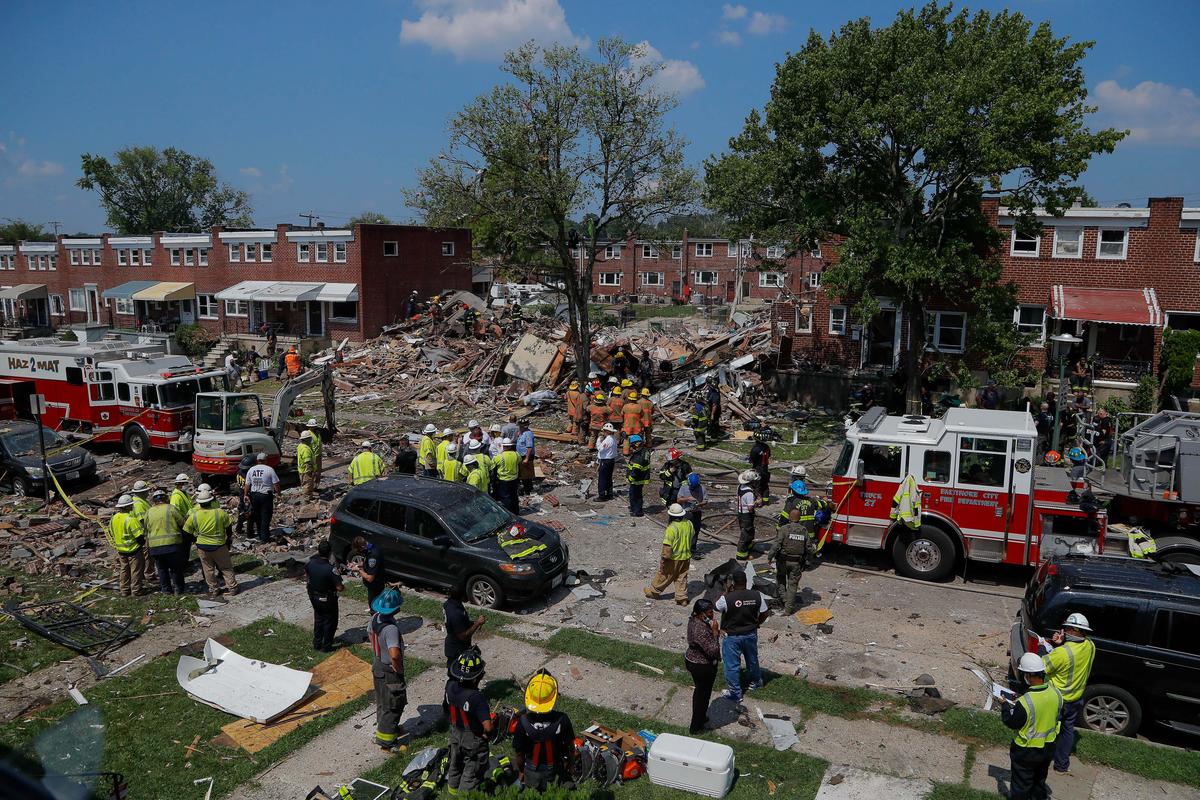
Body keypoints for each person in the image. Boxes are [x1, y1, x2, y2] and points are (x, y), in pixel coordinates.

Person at [1003, 653, 1064, 800]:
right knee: (1039, 782)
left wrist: (1005, 706)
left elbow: (1012, 722)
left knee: (1020, 787)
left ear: (1029, 676)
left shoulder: (1025, 702)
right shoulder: (1057, 694)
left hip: (1026, 751)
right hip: (1048, 748)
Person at [1041, 612, 1095, 775]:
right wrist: (1061, 643)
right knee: (1067, 731)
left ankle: (1039, 761)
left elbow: (1041, 666)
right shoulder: (1091, 646)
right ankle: (1061, 765)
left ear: (1071, 630)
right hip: (1076, 698)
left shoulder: (1062, 652)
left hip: (1058, 700)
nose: (1062, 631)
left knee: (1045, 731)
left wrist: (1044, 646)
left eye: (1065, 628)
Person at [513, 670, 576, 790]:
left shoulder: (523, 722)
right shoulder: (562, 720)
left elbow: (519, 753)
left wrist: (522, 771)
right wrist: (571, 764)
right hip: (555, 771)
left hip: (531, 772)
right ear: (553, 697)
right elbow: (571, 748)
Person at [444, 647, 493, 794]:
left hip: (455, 734)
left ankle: (452, 791)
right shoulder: (476, 698)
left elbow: (446, 709)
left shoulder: (450, 686)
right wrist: (485, 735)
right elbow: (488, 727)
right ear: (476, 677)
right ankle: (464, 796)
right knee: (472, 770)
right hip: (473, 741)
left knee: (455, 763)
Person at [717, 570, 769, 705]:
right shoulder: (756, 595)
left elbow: (717, 607)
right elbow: (764, 612)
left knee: (732, 664)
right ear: (746, 581)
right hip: (750, 633)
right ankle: (756, 681)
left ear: (733, 582)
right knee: (752, 659)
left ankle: (735, 693)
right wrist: (757, 623)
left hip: (732, 636)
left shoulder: (727, 598)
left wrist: (727, 591)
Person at [370, 588, 408, 750]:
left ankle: (386, 728)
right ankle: (386, 740)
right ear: (396, 608)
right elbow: (394, 654)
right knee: (393, 704)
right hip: (389, 670)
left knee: (382, 701)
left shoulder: (375, 618)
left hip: (378, 665)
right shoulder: (391, 629)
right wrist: (398, 669)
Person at [184, 484, 239, 597]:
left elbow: (186, 531)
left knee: (208, 569)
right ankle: (232, 588)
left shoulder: (194, 515)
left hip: (203, 546)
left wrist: (195, 540)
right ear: (211, 500)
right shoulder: (219, 512)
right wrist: (228, 539)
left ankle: (214, 589)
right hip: (219, 545)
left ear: (199, 502)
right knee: (226, 567)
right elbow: (228, 526)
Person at [644, 503, 693, 605]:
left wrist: (664, 559)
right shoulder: (689, 523)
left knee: (664, 575)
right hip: (686, 557)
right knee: (682, 577)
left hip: (673, 558)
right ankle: (681, 598)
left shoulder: (672, 528)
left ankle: (654, 592)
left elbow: (667, 547)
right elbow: (692, 536)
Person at [684, 599, 720, 735]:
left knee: (700, 692)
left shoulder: (694, 620)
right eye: (710, 613)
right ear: (701, 614)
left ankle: (701, 716)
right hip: (702, 666)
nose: (712, 616)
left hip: (692, 660)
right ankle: (696, 727)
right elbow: (713, 651)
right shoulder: (700, 630)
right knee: (702, 696)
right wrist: (715, 633)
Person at [767, 508, 813, 614]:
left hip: (783, 561)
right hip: (796, 563)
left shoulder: (784, 529)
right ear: (799, 518)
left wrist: (770, 556)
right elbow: (809, 548)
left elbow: (776, 544)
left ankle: (785, 600)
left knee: (780, 579)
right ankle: (788, 609)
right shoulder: (804, 530)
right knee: (793, 585)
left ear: (789, 517)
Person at [144, 489, 187, 595]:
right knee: (175, 568)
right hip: (172, 544)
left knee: (162, 570)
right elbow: (182, 523)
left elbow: (145, 528)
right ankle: (179, 589)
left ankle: (166, 590)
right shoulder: (171, 508)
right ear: (166, 498)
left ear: (154, 501)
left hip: (155, 547)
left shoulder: (149, 512)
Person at [306, 539, 343, 651]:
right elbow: (339, 588)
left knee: (318, 619)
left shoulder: (310, 563)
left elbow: (308, 575)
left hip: (313, 596)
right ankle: (326, 645)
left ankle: (317, 643)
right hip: (327, 598)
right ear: (329, 553)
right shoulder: (330, 569)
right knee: (329, 621)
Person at [108, 494, 145, 597]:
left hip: (121, 549)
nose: (132, 507)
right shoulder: (131, 519)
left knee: (124, 570)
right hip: (133, 549)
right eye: (131, 505)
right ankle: (136, 590)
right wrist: (142, 543)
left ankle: (124, 590)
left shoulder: (114, 518)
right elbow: (139, 537)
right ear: (128, 506)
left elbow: (112, 532)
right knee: (136, 570)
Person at [443, 585, 486, 670]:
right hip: (457, 650)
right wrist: (477, 623)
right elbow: (463, 637)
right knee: (460, 673)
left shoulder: (449, 604)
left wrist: (473, 623)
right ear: (462, 596)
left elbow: (460, 624)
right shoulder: (456, 613)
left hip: (453, 645)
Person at [244, 453, 280, 542]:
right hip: (265, 495)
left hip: (254, 495)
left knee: (257, 516)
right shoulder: (269, 469)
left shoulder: (251, 470)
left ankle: (260, 535)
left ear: (257, 460)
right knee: (266, 516)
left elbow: (247, 484)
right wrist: (279, 494)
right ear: (265, 460)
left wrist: (245, 495)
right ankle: (265, 538)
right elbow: (276, 484)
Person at [349, 535, 388, 608]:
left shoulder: (372, 556)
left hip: (375, 586)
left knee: (374, 608)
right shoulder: (371, 547)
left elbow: (370, 578)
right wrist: (357, 564)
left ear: (362, 547)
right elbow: (367, 563)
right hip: (375, 585)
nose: (359, 552)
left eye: (359, 550)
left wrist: (358, 570)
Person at [130, 481, 154, 584]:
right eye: (146, 491)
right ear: (141, 492)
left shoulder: (139, 501)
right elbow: (142, 520)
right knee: (147, 555)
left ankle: (146, 573)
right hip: (144, 533)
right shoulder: (139, 504)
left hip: (144, 533)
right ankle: (148, 574)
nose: (148, 493)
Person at [677, 473, 707, 552]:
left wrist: (699, 504)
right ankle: (683, 547)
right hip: (686, 513)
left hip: (696, 513)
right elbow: (678, 500)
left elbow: (705, 501)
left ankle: (692, 548)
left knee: (695, 530)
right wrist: (687, 499)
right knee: (684, 531)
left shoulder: (702, 489)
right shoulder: (684, 488)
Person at [735, 469, 761, 560]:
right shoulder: (749, 493)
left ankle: (748, 547)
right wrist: (757, 502)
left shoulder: (740, 487)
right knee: (745, 534)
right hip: (746, 515)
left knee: (749, 532)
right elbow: (750, 508)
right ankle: (741, 554)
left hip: (741, 513)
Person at [626, 433, 650, 516]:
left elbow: (636, 469)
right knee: (636, 495)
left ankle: (637, 511)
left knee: (635, 495)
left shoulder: (639, 455)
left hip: (637, 479)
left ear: (637, 444)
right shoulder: (644, 451)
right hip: (641, 478)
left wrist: (630, 478)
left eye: (632, 445)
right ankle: (635, 510)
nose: (631, 447)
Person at [495, 438, 521, 515]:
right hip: (514, 479)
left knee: (505, 497)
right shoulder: (516, 454)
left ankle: (508, 513)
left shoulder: (500, 456)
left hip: (503, 480)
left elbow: (493, 464)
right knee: (514, 496)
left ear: (503, 446)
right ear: (510, 446)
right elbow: (519, 463)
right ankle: (516, 512)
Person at [234, 454, 256, 537]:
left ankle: (238, 528)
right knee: (250, 514)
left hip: (241, 494)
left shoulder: (239, 472)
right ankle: (250, 533)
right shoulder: (248, 474)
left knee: (242, 512)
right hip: (248, 496)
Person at [749, 429, 773, 503]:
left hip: (757, 469)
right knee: (765, 485)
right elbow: (768, 455)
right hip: (765, 469)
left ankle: (758, 501)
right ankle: (766, 500)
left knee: (757, 486)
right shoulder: (766, 447)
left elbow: (752, 459)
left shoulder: (755, 449)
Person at [596, 423, 618, 502]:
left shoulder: (608, 440)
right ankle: (609, 494)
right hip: (611, 460)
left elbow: (600, 449)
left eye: (604, 431)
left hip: (605, 460)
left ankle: (602, 496)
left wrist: (599, 440)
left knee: (602, 478)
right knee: (608, 478)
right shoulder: (614, 439)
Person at [620, 389, 642, 456]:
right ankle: (637, 451)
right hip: (636, 426)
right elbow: (642, 415)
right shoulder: (639, 406)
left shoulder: (625, 406)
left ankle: (625, 452)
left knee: (626, 440)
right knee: (637, 439)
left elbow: (622, 414)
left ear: (629, 399)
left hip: (627, 426)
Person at [516, 420, 536, 495]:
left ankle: (528, 490)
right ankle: (526, 488)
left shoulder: (528, 434)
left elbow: (529, 447)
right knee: (522, 473)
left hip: (526, 456)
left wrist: (526, 459)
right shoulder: (522, 433)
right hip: (521, 455)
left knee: (526, 474)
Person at [298, 429, 317, 496]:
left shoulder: (300, 446)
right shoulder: (306, 449)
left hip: (302, 470)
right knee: (307, 485)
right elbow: (308, 462)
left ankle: (308, 495)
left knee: (305, 484)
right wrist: (310, 471)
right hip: (306, 471)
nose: (310, 440)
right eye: (309, 438)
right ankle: (307, 499)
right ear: (306, 439)